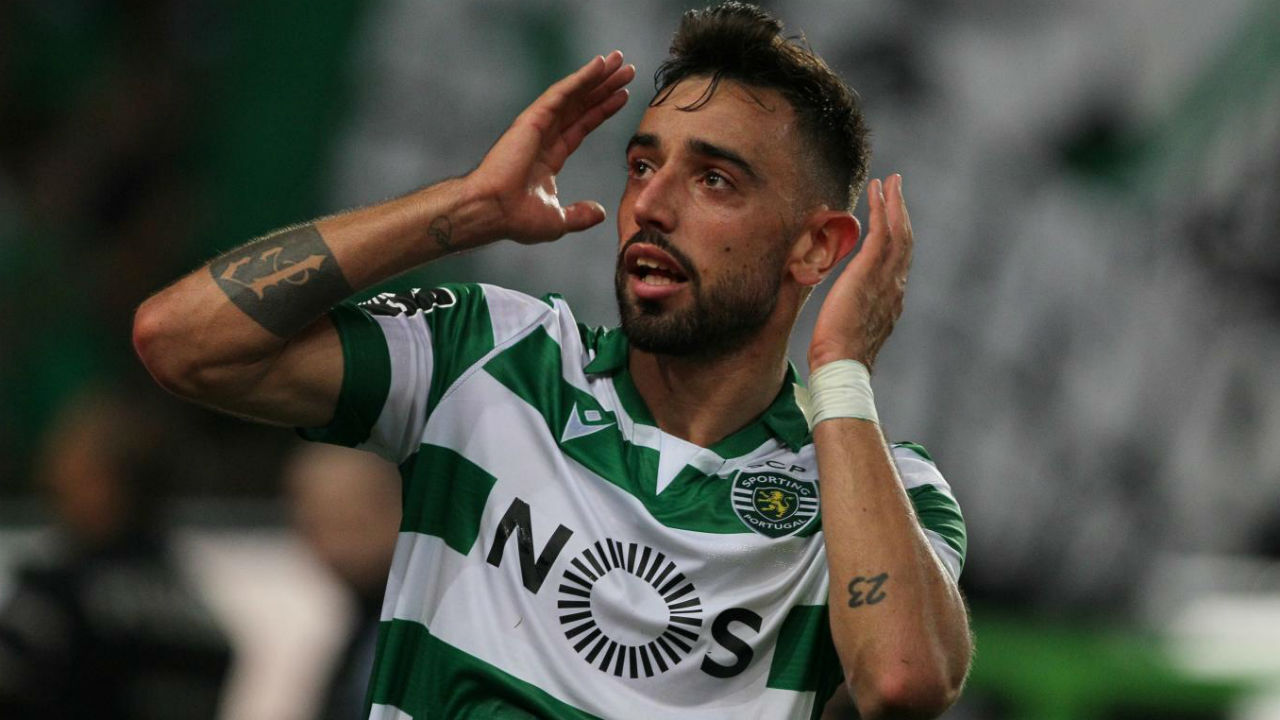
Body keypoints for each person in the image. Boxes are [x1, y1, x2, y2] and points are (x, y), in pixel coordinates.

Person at [133, 3, 971, 717]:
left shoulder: (877, 489)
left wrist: (841, 369)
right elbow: (183, 342)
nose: (651, 204)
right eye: (643, 165)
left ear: (815, 248)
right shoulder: (490, 353)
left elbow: (904, 681)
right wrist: (463, 207)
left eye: (714, 179)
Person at [0, 388, 232, 720]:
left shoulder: (56, 599)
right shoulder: (202, 622)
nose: (48, 482)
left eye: (67, 473)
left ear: (103, 485)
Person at [283, 443, 402, 720]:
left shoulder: (415, 632)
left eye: (352, 524)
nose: (334, 549)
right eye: (314, 527)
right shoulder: (358, 614)